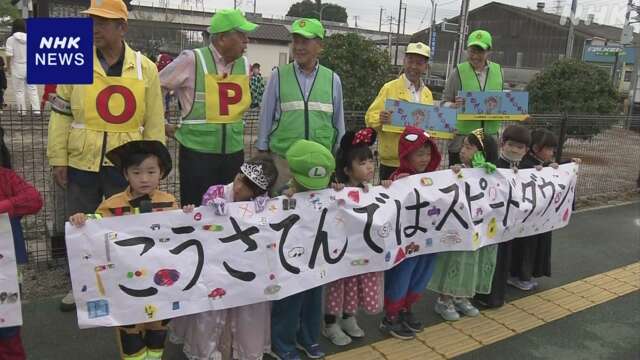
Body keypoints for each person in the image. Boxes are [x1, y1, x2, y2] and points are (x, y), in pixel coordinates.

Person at [47, 0, 165, 312]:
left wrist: (154, 169)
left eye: (103, 22)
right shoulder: (74, 61)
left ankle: (122, 284)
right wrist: (58, 158)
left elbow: (154, 122)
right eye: (92, 21)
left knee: (123, 226)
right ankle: (81, 287)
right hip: (80, 160)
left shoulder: (146, 68)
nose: (95, 28)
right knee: (81, 226)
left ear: (122, 27)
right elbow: (60, 114)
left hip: (125, 166)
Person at [69, 140, 194, 360]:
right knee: (130, 330)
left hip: (161, 279)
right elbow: (95, 227)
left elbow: (179, 233)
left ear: (161, 173)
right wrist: (82, 219)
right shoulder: (111, 204)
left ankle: (155, 356)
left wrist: (188, 214)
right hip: (126, 280)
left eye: (151, 171)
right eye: (136, 172)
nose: (144, 178)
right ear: (126, 175)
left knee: (159, 327)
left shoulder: (169, 202)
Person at [168, 156, 278, 360]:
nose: (238, 188)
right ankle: (206, 351)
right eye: (239, 178)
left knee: (246, 306)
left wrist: (267, 211)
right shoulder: (216, 192)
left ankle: (243, 349)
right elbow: (200, 224)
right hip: (216, 263)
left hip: (246, 264)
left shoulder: (263, 203)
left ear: (258, 192)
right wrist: (208, 208)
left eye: (247, 187)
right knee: (213, 305)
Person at [159, 9, 257, 206]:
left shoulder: (244, 64)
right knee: (197, 210)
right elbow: (156, 86)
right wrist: (162, 123)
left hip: (233, 153)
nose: (247, 41)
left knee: (230, 209)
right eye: (241, 35)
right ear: (222, 38)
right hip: (197, 156)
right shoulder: (192, 59)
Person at [256, 18, 345, 194]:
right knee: (281, 210)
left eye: (305, 41)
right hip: (284, 162)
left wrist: (339, 158)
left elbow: (338, 122)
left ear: (319, 46)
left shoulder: (333, 79)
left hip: (319, 163)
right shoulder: (278, 76)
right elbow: (265, 115)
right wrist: (262, 148)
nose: (298, 47)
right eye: (295, 41)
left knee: (315, 212)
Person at [323, 128, 390, 346]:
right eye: (362, 163)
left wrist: (388, 188)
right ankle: (330, 324)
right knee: (338, 286)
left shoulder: (371, 190)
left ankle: (348, 317)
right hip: (340, 252)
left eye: (370, 160)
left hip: (361, 251)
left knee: (354, 285)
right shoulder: (338, 190)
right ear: (347, 169)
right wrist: (336, 190)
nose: (370, 166)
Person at [270, 139, 335, 360]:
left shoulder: (329, 191)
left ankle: (308, 337)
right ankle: (282, 343)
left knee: (314, 300)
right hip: (290, 261)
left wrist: (338, 190)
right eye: (305, 184)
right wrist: (282, 196)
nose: (311, 190)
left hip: (317, 257)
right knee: (288, 301)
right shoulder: (282, 193)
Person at [427, 128, 499, 321]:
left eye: (469, 147)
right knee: (454, 260)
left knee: (472, 261)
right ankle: (444, 299)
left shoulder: (492, 173)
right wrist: (455, 173)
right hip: (458, 228)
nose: (462, 150)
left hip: (480, 229)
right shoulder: (458, 171)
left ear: (482, 153)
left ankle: (462, 296)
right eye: (463, 146)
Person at [379, 126, 441, 340]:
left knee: (422, 273)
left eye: (428, 153)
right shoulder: (399, 178)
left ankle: (406, 308)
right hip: (406, 242)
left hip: (428, 240)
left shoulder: (436, 178)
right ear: (406, 154)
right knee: (402, 274)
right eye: (419, 153)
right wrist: (388, 185)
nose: (425, 158)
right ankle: (391, 315)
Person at [474, 124, 530, 308]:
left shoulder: (526, 169)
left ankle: (498, 295)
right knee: (490, 260)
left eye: (520, 147)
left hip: (510, 224)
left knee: (503, 259)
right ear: (502, 143)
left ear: (526, 150)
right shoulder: (493, 166)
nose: (514, 150)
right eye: (511, 145)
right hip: (492, 224)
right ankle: (484, 296)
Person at [0, 125, 43, 360]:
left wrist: (5, 207)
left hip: (5, 273)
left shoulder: (6, 177)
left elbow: (34, 200)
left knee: (8, 333)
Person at [365, 42, 433, 180]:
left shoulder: (427, 94)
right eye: (410, 61)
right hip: (393, 162)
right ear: (404, 61)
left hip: (419, 163)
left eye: (419, 63)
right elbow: (369, 118)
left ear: (425, 67)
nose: (413, 66)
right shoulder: (389, 88)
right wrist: (380, 118)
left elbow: (430, 126)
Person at [442, 30, 505, 166]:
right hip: (462, 143)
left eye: (480, 51)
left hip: (489, 143)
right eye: (472, 51)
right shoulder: (457, 72)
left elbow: (501, 102)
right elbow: (443, 103)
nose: (475, 56)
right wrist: (453, 105)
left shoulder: (499, 71)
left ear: (488, 52)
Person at [508, 129, 558, 291]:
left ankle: (522, 276)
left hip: (535, 216)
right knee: (525, 247)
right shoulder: (527, 165)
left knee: (530, 246)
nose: (552, 153)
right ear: (536, 148)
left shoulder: (538, 164)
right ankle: (519, 276)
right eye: (549, 149)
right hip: (527, 217)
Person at [5, 19, 40, 114]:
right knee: (33, 89)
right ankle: (36, 111)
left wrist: (8, 68)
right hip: (30, 66)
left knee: (19, 91)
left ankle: (22, 111)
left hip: (17, 66)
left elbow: (9, 55)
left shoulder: (10, 40)